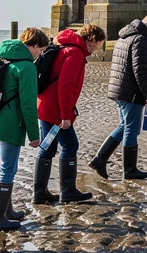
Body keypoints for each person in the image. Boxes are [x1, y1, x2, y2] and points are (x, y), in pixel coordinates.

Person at [0, 27, 49, 231]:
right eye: (41, 50)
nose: (40, 55)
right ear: (34, 46)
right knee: (8, 169)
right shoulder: (26, 66)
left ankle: (7, 212)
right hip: (10, 124)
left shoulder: (2, 57)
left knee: (5, 166)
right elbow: (28, 104)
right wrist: (34, 135)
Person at [34, 23, 106, 205]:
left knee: (47, 146)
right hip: (55, 109)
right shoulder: (75, 52)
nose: (98, 48)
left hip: (45, 104)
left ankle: (40, 192)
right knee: (70, 145)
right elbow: (64, 86)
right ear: (92, 40)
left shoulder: (64, 46)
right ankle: (68, 191)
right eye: (99, 44)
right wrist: (65, 115)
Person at [91, 14, 147, 180]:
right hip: (131, 92)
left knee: (125, 126)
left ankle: (99, 160)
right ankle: (130, 170)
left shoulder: (124, 36)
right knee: (131, 128)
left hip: (120, 90)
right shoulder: (142, 40)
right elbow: (141, 70)